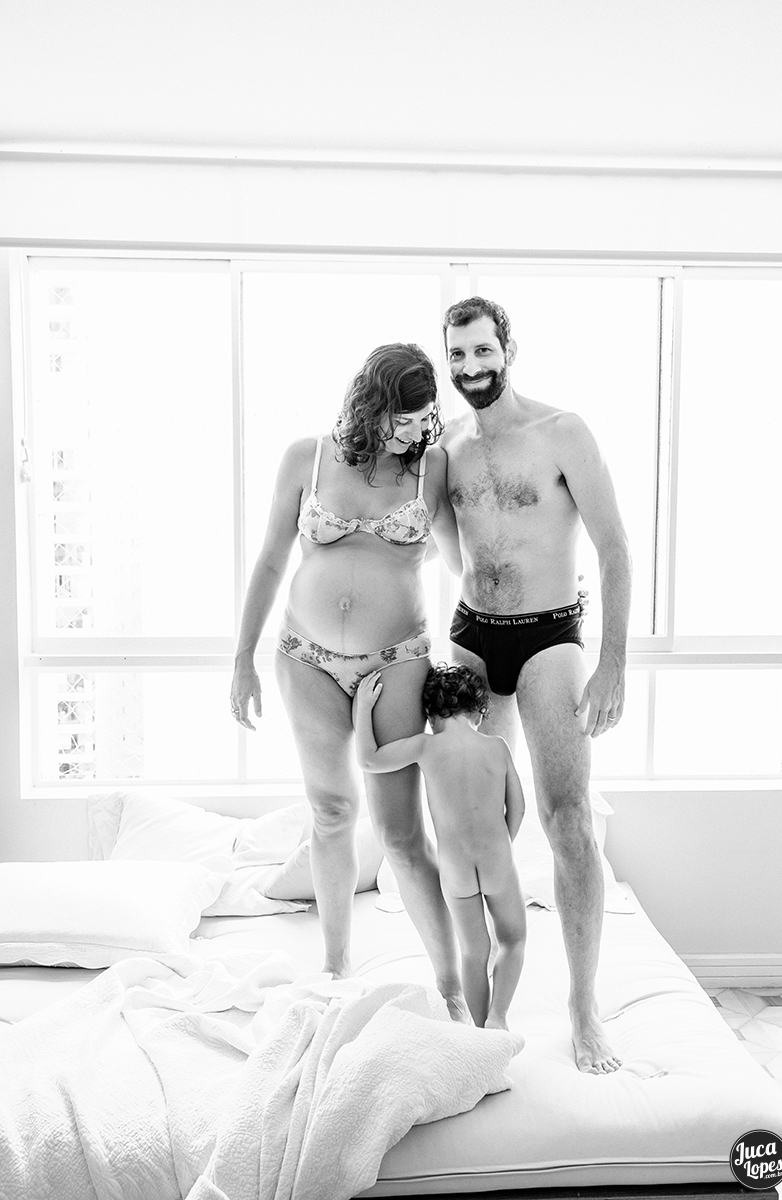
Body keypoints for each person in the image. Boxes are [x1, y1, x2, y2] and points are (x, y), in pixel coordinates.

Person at [229, 342, 470, 1021]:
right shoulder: (306, 457)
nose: (414, 431)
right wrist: (242, 656)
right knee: (332, 813)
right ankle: (335, 964)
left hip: (397, 660)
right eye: (402, 417)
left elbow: (462, 563)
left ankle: (453, 985)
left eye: (424, 418)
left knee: (400, 835)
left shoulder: (433, 466)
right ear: (369, 404)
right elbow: (271, 561)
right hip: (304, 657)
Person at [441, 296, 632, 1073]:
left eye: (483, 350)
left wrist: (613, 663)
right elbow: (422, 541)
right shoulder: (446, 448)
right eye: (458, 355)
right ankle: (484, 997)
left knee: (567, 818)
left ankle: (584, 1008)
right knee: (474, 826)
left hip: (550, 636)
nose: (471, 367)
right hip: (471, 636)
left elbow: (615, 548)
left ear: (507, 350)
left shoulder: (563, 432)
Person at [355, 662, 527, 1031]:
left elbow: (368, 760)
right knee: (513, 939)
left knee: (473, 951)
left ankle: (479, 1030)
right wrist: (504, 844)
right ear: (479, 712)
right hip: (496, 859)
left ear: (431, 715)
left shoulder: (426, 746)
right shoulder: (496, 747)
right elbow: (518, 807)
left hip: (455, 869)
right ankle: (498, 1017)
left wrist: (363, 709)